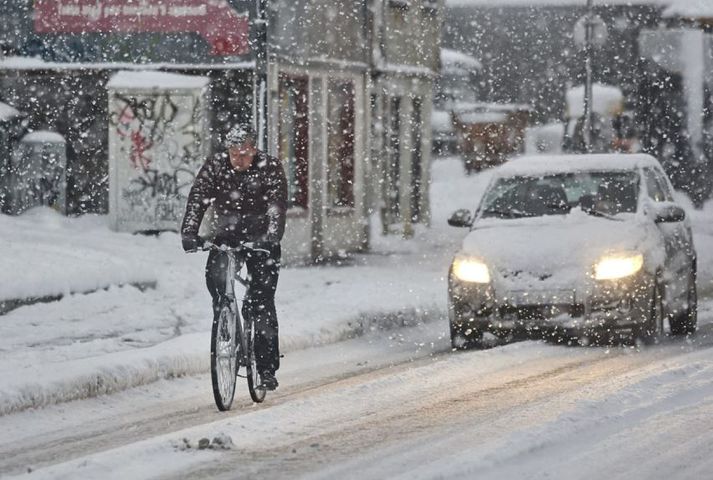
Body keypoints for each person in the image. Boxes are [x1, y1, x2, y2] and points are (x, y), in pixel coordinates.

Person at [181, 124, 287, 390]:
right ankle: (225, 319)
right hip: (227, 236)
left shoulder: (270, 168)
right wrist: (189, 232)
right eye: (234, 154)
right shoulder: (215, 166)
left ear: (254, 149)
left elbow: (276, 205)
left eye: (244, 154)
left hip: (261, 240)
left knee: (261, 301)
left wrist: (272, 235)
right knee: (216, 279)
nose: (239, 160)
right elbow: (198, 199)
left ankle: (265, 368)